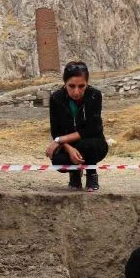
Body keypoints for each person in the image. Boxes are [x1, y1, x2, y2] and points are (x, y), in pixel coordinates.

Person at [45, 61, 108, 191]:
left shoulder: (94, 95)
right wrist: (68, 148)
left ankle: (91, 174)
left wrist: (60, 141)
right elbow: (56, 129)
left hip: (93, 142)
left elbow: (93, 129)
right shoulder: (56, 98)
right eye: (71, 86)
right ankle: (74, 174)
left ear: (87, 84)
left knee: (86, 146)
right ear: (65, 83)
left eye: (81, 86)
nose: (76, 91)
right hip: (69, 144)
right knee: (58, 160)